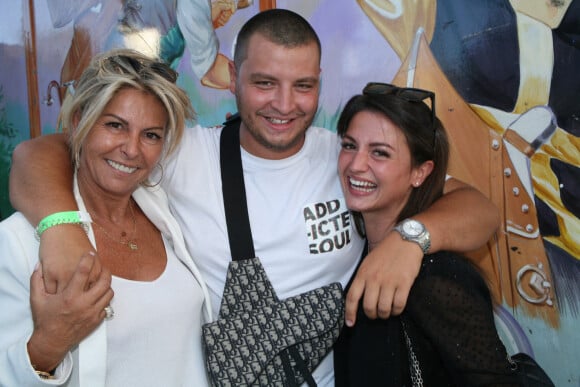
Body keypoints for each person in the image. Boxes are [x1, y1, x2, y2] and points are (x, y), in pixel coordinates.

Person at [9, 9, 500, 385]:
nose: (284, 105)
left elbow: (477, 208)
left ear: (319, 85)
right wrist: (62, 232)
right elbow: (42, 153)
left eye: (302, 86)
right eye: (265, 83)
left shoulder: (347, 160)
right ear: (233, 79)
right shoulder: (182, 154)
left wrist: (408, 241)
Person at [0, 49, 211, 386]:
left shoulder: (166, 211)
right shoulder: (19, 242)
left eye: (151, 135)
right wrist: (48, 344)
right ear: (79, 121)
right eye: (115, 125)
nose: (131, 149)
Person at [332, 83, 546, 385]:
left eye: (380, 153)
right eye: (350, 145)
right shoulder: (360, 247)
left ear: (420, 172)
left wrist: (410, 239)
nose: (355, 165)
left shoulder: (437, 276)